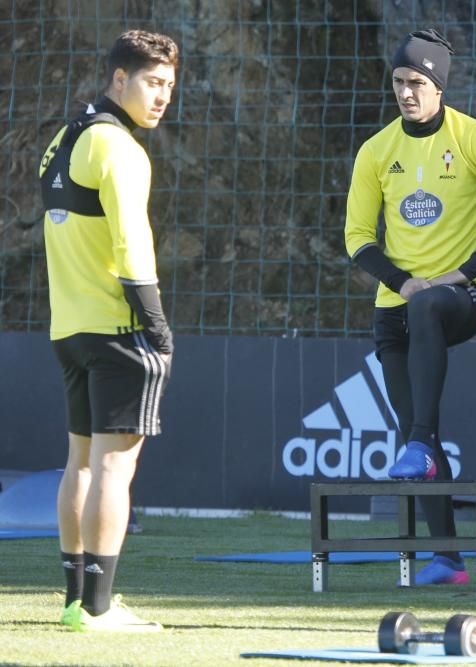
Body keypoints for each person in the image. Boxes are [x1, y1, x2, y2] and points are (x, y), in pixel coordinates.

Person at [344, 29, 476, 586]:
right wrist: (402, 283)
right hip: (397, 306)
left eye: (417, 82)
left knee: (430, 314)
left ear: (438, 86)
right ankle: (448, 558)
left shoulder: (474, 137)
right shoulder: (377, 151)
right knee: (415, 432)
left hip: (463, 298)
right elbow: (357, 237)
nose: (406, 92)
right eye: (399, 82)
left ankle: (422, 442)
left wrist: (465, 272)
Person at [40, 30, 178, 631]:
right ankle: (98, 608)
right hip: (118, 329)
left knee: (82, 465)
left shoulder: (63, 138)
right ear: (117, 79)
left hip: (68, 328)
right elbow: (131, 244)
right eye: (152, 83)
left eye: (170, 86)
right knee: (114, 472)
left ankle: (75, 600)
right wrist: (158, 328)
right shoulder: (120, 149)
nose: (162, 97)